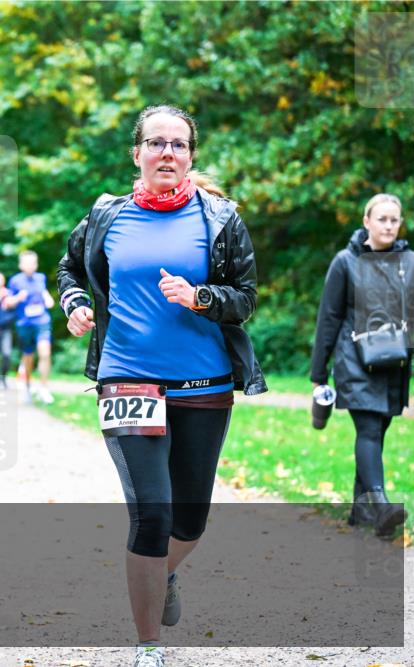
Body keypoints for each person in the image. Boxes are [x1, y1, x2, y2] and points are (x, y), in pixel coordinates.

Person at [57, 105, 267, 667]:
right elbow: (71, 268)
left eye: (177, 144)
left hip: (203, 383)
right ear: (138, 153)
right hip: (127, 377)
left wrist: (200, 298)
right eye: (156, 143)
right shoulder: (107, 215)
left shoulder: (220, 220)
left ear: (190, 155)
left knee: (189, 522)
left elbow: (244, 298)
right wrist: (76, 303)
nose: (167, 153)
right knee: (152, 514)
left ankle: (162, 572)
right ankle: (149, 647)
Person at [311, 193, 414, 538]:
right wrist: (319, 374)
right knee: (369, 431)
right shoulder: (345, 262)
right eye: (382, 219)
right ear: (367, 222)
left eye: (394, 219)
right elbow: (328, 319)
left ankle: (361, 510)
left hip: (394, 363)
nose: (389, 225)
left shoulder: (410, 263)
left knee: (379, 431)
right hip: (354, 361)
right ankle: (382, 505)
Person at [6, 251, 55, 404]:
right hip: (24, 324)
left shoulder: (41, 278)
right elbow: (7, 303)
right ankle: (27, 386)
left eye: (33, 263)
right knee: (28, 357)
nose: (30, 266)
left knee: (45, 353)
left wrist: (48, 299)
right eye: (27, 263)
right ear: (21, 265)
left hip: (42, 321)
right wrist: (17, 298)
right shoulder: (15, 281)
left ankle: (44, 388)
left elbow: (43, 292)